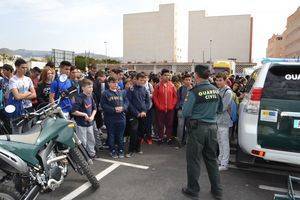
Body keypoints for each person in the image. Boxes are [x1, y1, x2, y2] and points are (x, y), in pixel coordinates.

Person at [182, 64, 223, 200]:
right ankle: (217, 190)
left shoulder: (194, 91)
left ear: (196, 76)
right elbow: (220, 109)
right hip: (212, 128)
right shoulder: (216, 90)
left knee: (194, 160)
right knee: (211, 160)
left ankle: (193, 189)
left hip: (197, 129)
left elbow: (185, 112)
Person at [101, 77, 128, 159]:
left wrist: (123, 108)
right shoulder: (105, 93)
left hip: (121, 118)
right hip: (110, 118)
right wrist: (114, 109)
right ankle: (112, 150)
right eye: (113, 82)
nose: (115, 84)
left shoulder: (122, 92)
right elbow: (103, 105)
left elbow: (127, 102)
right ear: (109, 83)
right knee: (111, 135)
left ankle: (121, 150)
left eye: (116, 82)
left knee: (120, 136)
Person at [9, 58, 37, 134]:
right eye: (22, 67)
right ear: (17, 67)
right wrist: (28, 93)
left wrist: (21, 95)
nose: (25, 69)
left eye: (26, 68)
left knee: (27, 131)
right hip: (18, 108)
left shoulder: (28, 79)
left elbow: (34, 94)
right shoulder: (13, 80)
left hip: (28, 108)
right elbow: (17, 97)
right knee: (17, 132)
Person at [126, 73, 151, 157]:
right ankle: (131, 150)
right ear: (136, 80)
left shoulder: (145, 89)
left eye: (144, 80)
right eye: (140, 80)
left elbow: (148, 102)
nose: (142, 81)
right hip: (134, 115)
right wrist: (136, 113)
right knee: (133, 131)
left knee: (141, 132)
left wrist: (144, 111)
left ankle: (138, 147)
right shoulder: (131, 89)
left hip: (143, 114)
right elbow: (128, 103)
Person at [72, 79, 97, 158]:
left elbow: (94, 108)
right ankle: (83, 157)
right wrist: (84, 115)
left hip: (90, 123)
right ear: (83, 88)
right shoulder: (79, 97)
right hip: (81, 124)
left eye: (91, 87)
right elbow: (73, 111)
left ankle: (91, 154)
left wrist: (92, 116)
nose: (91, 89)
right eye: (89, 87)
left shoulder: (90, 96)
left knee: (91, 140)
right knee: (83, 141)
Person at [153, 69, 177, 144]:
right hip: (160, 109)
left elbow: (175, 97)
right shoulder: (157, 86)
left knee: (169, 124)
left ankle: (168, 138)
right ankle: (160, 138)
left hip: (170, 109)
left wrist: (172, 105)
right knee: (160, 124)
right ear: (161, 76)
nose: (167, 77)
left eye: (168, 75)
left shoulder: (172, 85)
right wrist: (158, 106)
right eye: (165, 75)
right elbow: (154, 97)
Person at [215, 72, 233, 171]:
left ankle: (224, 163)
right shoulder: (218, 90)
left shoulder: (228, 92)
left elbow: (223, 107)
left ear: (225, 80)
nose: (218, 82)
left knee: (224, 142)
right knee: (220, 141)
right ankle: (220, 159)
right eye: (217, 80)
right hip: (217, 120)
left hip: (224, 120)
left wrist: (212, 109)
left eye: (220, 80)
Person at [176, 73, 192, 148]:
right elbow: (177, 99)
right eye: (186, 80)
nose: (188, 81)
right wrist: (179, 107)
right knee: (180, 126)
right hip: (181, 110)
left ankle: (187, 141)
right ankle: (179, 142)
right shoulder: (180, 89)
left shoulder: (194, 89)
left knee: (189, 127)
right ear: (183, 81)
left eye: (189, 80)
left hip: (190, 111)